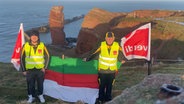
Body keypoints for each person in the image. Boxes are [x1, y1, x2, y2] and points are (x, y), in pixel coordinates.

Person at [84, 32, 125, 104]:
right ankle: (101, 100)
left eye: (111, 38)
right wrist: (87, 59)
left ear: (113, 38)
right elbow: (94, 53)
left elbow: (122, 53)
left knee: (110, 86)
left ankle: (108, 100)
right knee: (102, 86)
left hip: (112, 71)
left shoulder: (117, 45)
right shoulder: (101, 45)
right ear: (106, 38)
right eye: (108, 38)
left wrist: (122, 59)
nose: (110, 39)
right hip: (102, 71)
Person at [20, 30, 50, 103]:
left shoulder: (42, 45)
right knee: (30, 84)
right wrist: (23, 70)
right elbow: (21, 58)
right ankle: (31, 96)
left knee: (40, 84)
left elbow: (48, 56)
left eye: (35, 36)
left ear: (38, 37)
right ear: (30, 37)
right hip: (29, 69)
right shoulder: (25, 46)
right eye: (32, 36)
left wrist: (45, 67)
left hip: (40, 69)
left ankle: (40, 95)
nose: (34, 37)